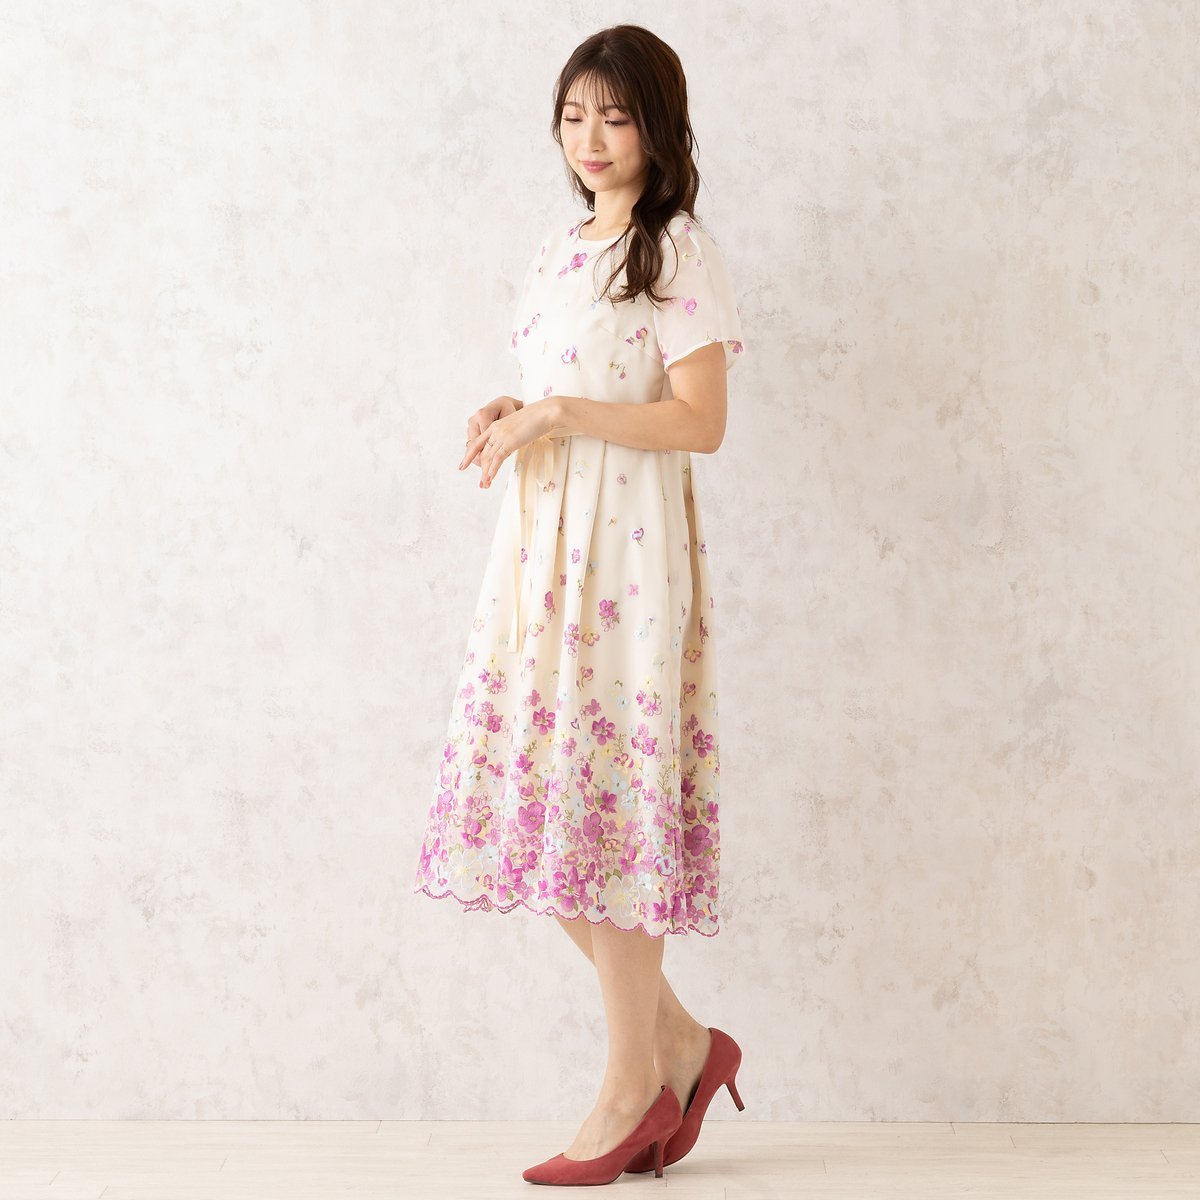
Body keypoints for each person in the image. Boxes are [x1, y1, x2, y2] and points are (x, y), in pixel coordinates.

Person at [411, 24, 748, 1186]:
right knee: (542, 816)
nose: (591, 138)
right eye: (573, 115)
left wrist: (559, 415)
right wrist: (518, 408)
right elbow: (573, 383)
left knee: (609, 817)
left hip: (629, 563)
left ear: (659, 125)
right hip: (541, 556)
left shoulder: (678, 250)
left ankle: (630, 1086)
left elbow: (699, 421)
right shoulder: (562, 251)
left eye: (615, 115)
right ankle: (681, 1048)